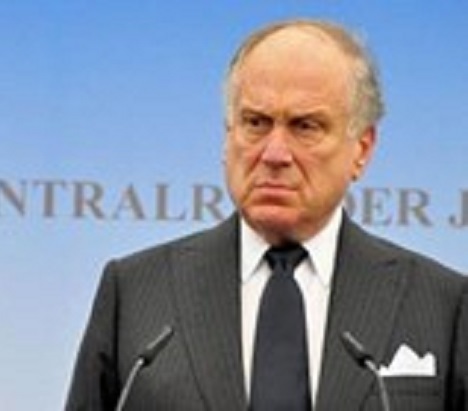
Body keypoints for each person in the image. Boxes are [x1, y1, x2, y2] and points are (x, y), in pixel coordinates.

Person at [65, 19, 468, 410]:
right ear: (228, 136)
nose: (274, 154)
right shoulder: (135, 291)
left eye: (305, 126)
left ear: (362, 148)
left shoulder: (442, 304)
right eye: (255, 123)